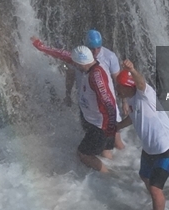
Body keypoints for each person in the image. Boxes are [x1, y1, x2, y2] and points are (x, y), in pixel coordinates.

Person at [31, 39, 119, 171]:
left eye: (76, 64)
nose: (74, 65)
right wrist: (41, 47)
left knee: (83, 154)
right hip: (94, 121)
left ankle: (108, 177)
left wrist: (108, 129)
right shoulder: (87, 63)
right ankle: (113, 169)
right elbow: (62, 54)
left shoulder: (96, 77)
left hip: (101, 126)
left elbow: (108, 103)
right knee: (103, 151)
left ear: (82, 63)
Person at [115, 60, 169, 210]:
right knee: (144, 176)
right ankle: (157, 198)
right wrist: (118, 126)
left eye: (119, 86)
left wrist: (132, 69)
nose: (117, 88)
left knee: (155, 188)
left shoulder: (145, 94)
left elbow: (141, 82)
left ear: (128, 86)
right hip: (150, 148)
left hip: (167, 146)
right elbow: (132, 117)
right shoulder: (130, 99)